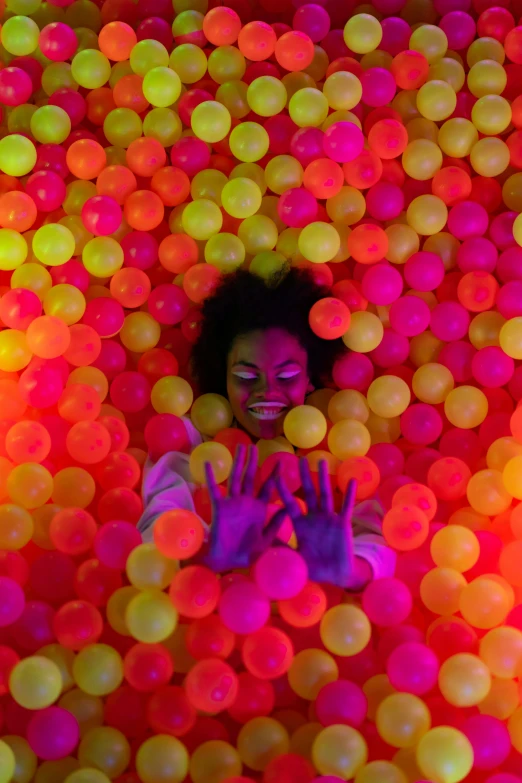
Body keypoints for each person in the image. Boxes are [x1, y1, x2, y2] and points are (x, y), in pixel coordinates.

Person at [138, 268, 395, 589]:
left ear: (309, 379)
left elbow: (378, 538)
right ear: (223, 380)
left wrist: (345, 569)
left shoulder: (341, 444)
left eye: (286, 377)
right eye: (246, 378)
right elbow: (154, 532)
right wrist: (209, 557)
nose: (267, 392)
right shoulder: (191, 441)